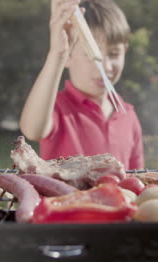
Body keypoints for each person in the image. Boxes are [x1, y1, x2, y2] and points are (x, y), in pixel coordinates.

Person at [19, 0, 144, 170]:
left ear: (125, 51)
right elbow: (32, 130)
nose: (106, 66)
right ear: (69, 56)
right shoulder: (58, 109)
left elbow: (136, 181)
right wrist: (58, 54)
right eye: (91, 55)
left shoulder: (128, 115)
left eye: (114, 54)